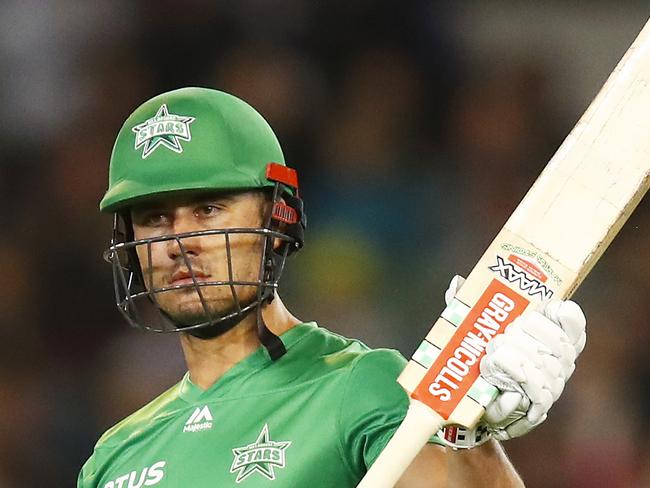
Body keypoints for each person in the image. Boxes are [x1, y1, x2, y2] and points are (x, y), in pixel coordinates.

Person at [78, 87, 586, 487]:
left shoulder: (361, 386)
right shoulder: (115, 457)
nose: (179, 241)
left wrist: (469, 438)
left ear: (276, 221)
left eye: (208, 210)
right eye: (154, 218)